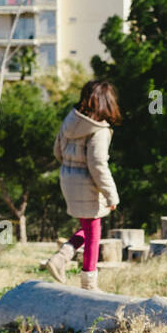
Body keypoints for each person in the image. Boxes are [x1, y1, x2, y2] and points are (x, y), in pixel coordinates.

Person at [42, 80, 122, 290]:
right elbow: (97, 165)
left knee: (88, 227)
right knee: (94, 232)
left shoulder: (70, 122)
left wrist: (71, 168)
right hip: (87, 183)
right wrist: (111, 194)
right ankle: (89, 283)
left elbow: (57, 151)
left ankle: (61, 258)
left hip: (67, 178)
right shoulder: (99, 130)